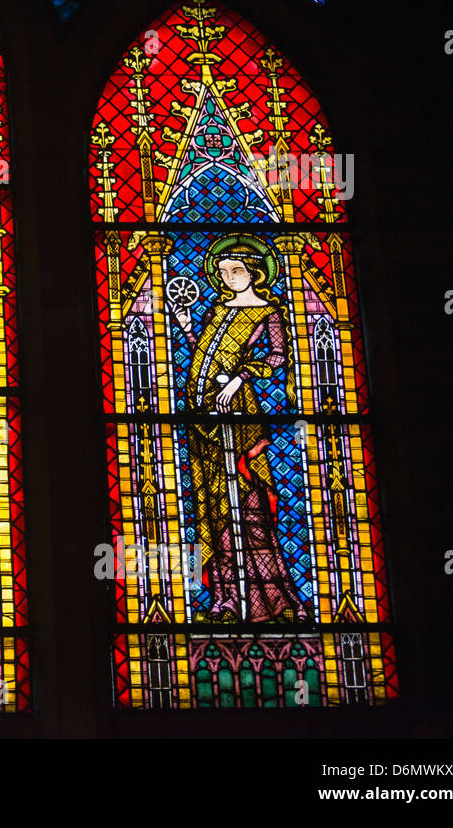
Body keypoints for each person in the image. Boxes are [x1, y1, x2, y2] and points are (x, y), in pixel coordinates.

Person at [171, 235, 304, 623]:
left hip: (238, 414)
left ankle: (269, 598)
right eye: (224, 272)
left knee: (248, 504)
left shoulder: (268, 312)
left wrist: (241, 378)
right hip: (203, 418)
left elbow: (278, 357)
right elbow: (207, 354)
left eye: (237, 271)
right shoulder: (218, 309)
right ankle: (226, 596)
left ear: (256, 273)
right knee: (213, 509)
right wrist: (186, 329)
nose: (229, 278)